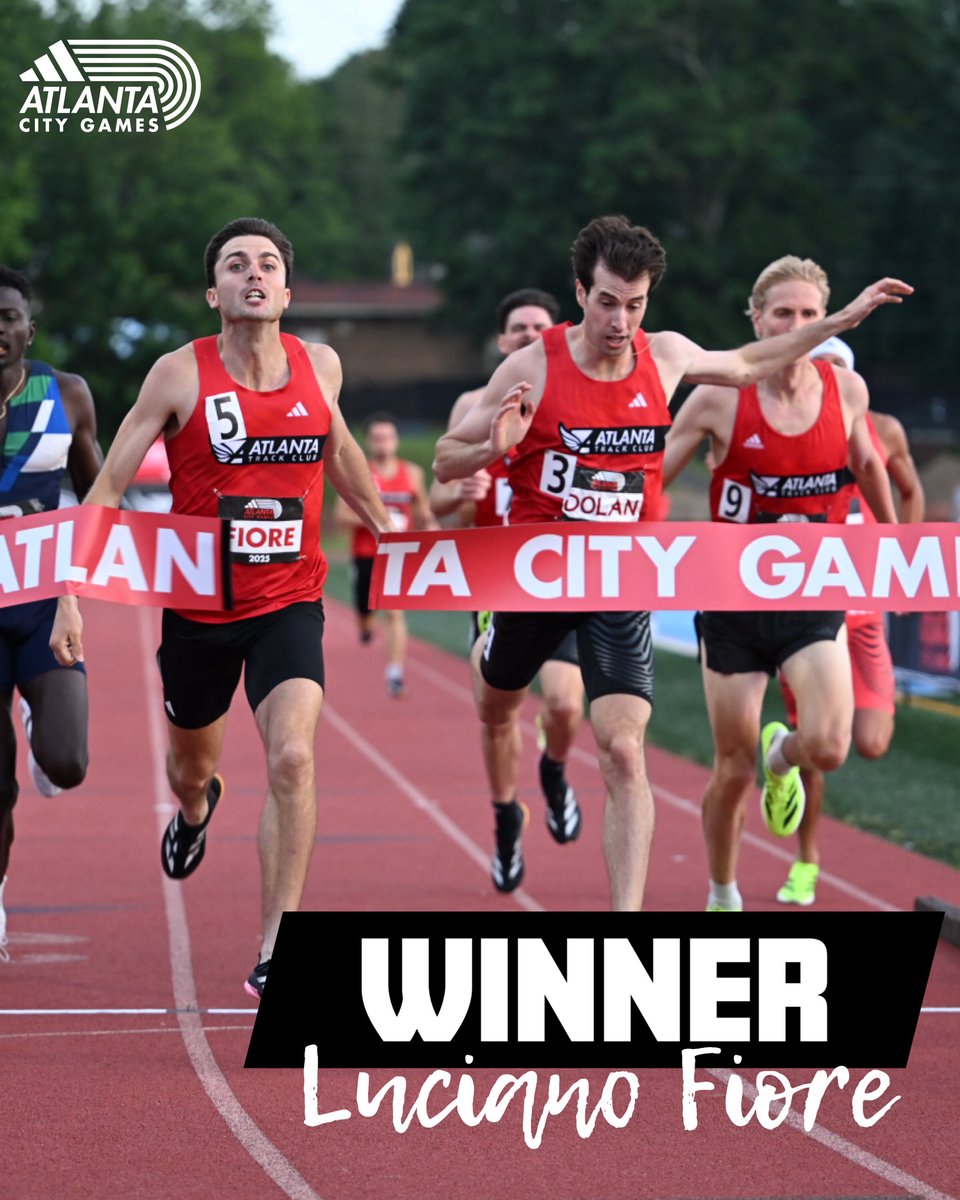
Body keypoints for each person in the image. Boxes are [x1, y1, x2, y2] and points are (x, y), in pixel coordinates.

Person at [434, 218, 911, 909]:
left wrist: (841, 321)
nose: (619, 321)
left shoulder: (665, 356)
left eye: (635, 305)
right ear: (581, 293)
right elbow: (445, 458)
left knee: (624, 751)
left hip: (618, 579)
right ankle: (489, 645)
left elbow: (748, 364)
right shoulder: (532, 365)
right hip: (539, 575)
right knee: (495, 703)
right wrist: (491, 446)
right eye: (606, 302)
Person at [49, 218, 393, 997]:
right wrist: (69, 590)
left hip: (289, 601)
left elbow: (340, 451)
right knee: (189, 771)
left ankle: (277, 947)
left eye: (268, 265)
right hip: (200, 611)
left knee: (293, 757)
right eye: (237, 265)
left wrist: (390, 531)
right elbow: (108, 488)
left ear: (287, 291)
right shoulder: (178, 374)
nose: (254, 275)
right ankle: (197, 811)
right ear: (214, 293)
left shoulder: (321, 366)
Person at [663, 255, 904, 912]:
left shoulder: (846, 391)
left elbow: (868, 466)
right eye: (782, 314)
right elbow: (648, 479)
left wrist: (896, 543)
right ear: (756, 319)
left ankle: (782, 756)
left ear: (826, 320)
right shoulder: (718, 398)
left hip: (813, 597)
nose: (796, 326)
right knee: (731, 769)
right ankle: (722, 892)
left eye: (808, 314)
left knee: (828, 746)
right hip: (733, 605)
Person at [431, 289, 586, 856]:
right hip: (494, 580)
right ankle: (505, 815)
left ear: (558, 333)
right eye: (518, 328)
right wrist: (463, 490)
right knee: (499, 712)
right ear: (502, 341)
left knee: (564, 704)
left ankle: (554, 768)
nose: (528, 336)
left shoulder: (575, 400)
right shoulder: (473, 405)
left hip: (556, 573)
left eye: (539, 327)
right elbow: (438, 501)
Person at [774, 335, 925, 906]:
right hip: (812, 613)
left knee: (872, 742)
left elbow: (909, 491)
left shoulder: (883, 430)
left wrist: (902, 562)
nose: (828, 380)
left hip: (864, 615)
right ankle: (806, 861)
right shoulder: (789, 429)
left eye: (838, 369)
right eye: (820, 369)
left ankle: (782, 747)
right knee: (821, 749)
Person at [0, 266, 101, 960]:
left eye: (8, 317)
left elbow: (101, 497)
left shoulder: (66, 394)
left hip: (42, 603)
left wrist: (74, 592)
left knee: (66, 763)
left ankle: (40, 715)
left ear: (28, 330)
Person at [334, 412, 433, 697]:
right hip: (365, 553)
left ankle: (394, 675)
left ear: (396, 439)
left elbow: (423, 511)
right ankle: (365, 626)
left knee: (395, 612)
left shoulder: (412, 473)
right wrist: (381, 521)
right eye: (377, 438)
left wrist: (430, 529)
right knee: (365, 615)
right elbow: (341, 517)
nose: (383, 443)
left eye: (388, 437)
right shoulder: (358, 472)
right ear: (368, 441)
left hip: (398, 554)